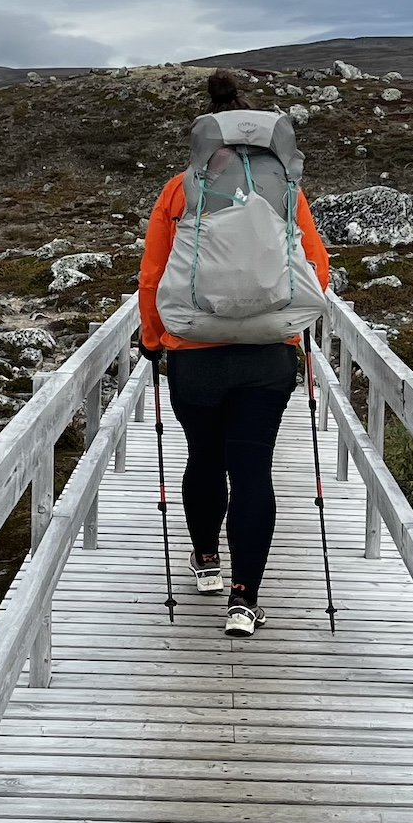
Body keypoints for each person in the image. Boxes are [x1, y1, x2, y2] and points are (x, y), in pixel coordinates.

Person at [137, 71, 333, 637]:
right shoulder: (285, 191)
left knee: (203, 456)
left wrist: (153, 339)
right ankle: (245, 601)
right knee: (253, 472)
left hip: (194, 352)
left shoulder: (180, 190)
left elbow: (153, 274)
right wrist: (296, 328)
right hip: (268, 353)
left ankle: (204, 562)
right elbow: (314, 267)